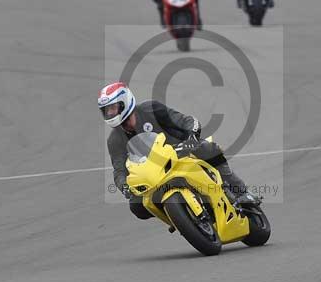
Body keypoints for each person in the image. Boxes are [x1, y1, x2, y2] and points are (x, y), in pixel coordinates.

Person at [99, 82, 260, 220]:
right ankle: (178, 215)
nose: (110, 113)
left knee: (209, 149)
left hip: (183, 151)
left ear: (125, 102)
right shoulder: (114, 140)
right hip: (156, 174)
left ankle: (241, 192)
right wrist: (124, 186)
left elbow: (186, 121)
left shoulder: (151, 109)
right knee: (136, 206)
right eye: (106, 110)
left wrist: (192, 137)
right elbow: (119, 170)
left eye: (113, 108)